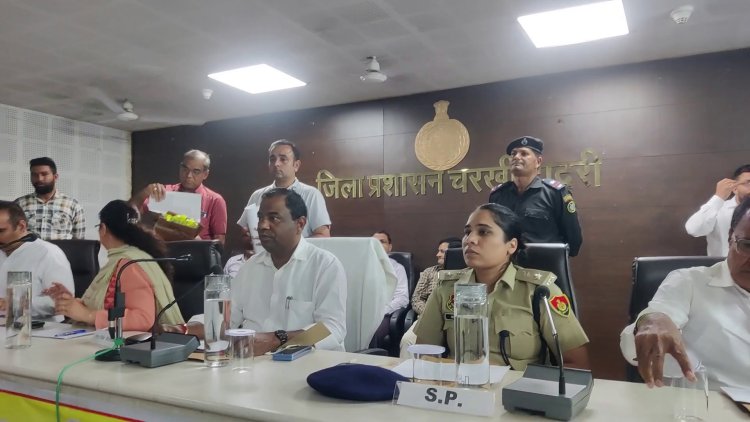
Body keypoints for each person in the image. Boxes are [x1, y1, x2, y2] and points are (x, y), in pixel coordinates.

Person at [170, 189, 346, 355]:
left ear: (300, 224)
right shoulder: (250, 267)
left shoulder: (324, 265)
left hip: (308, 364)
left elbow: (332, 328)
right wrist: (180, 329)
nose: (262, 226)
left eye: (273, 218)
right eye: (260, 218)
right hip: (256, 364)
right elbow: (225, 319)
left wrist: (275, 340)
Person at [415, 203, 590, 370]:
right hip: (460, 386)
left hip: (518, 388)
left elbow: (575, 363)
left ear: (511, 245)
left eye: (483, 232)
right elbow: (424, 354)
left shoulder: (539, 291)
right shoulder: (446, 289)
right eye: (467, 232)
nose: (470, 240)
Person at [620, 197, 750, 390]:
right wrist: (651, 320)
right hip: (708, 403)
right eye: (747, 245)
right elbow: (658, 318)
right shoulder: (688, 282)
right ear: (731, 236)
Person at [44, 200, 184, 331]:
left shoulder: (129, 265)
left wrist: (89, 315)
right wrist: (72, 304)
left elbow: (143, 318)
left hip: (127, 345)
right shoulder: (122, 259)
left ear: (103, 228)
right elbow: (107, 303)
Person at [489, 136, 583, 257]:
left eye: (524, 154)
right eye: (513, 154)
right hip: (507, 264)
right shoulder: (498, 195)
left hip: (543, 265)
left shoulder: (554, 193)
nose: (516, 157)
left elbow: (574, 240)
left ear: (538, 162)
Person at [130, 149, 227, 245]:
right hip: (164, 250)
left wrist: (198, 242)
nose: (188, 175)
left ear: (205, 174)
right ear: (180, 168)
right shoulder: (165, 192)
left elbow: (219, 243)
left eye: (196, 171)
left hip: (197, 252)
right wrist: (145, 192)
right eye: (185, 169)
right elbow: (129, 211)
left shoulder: (215, 200)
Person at [237, 140, 331, 239]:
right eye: (272, 159)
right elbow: (245, 231)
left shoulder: (311, 194)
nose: (276, 163)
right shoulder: (257, 195)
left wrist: (291, 245)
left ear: (296, 165)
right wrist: (248, 236)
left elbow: (323, 235)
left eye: (283, 159)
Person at [0, 201, 74, 318]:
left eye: (1, 231)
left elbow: (63, 301)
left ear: (21, 226)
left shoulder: (49, 253)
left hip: (38, 326)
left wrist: (16, 303)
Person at [399, 237, 462, 357]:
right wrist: (431, 314)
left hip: (457, 321)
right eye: (438, 251)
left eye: (442, 251)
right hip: (427, 319)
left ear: (455, 253)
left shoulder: (468, 274)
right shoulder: (429, 272)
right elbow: (416, 298)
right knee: (407, 341)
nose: (438, 254)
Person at [685, 164, 750, 256]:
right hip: (723, 264)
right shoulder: (718, 209)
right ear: (735, 188)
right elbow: (694, 230)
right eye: (749, 183)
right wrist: (718, 198)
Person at [14, 157, 85, 240]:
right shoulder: (19, 204)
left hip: (61, 249)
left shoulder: (73, 205)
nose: (39, 179)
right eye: (34, 175)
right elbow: (12, 236)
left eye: (44, 174)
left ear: (55, 177)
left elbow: (79, 242)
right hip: (28, 249)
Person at [369, 230, 409, 349]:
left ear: (390, 247)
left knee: (372, 334)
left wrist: (383, 310)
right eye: (374, 242)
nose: (378, 244)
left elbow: (402, 298)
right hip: (361, 313)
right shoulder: (362, 267)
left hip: (383, 314)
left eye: (382, 242)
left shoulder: (397, 268)